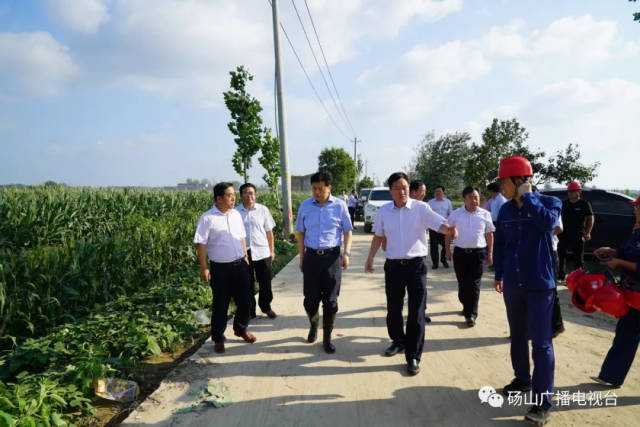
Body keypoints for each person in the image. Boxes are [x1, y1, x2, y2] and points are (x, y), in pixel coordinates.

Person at [493, 156, 561, 425]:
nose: (502, 187)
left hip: (539, 285)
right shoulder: (506, 211)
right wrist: (499, 273)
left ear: (519, 180)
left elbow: (547, 225)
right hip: (513, 282)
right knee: (517, 336)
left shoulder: (549, 203)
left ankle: (542, 402)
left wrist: (529, 198)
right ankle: (523, 379)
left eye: (504, 181)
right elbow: (501, 245)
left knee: (542, 344)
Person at [365, 172, 452, 376]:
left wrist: (450, 230)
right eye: (398, 188)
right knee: (393, 310)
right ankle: (398, 341)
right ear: (391, 191)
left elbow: (441, 224)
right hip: (393, 267)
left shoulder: (421, 208)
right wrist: (370, 258)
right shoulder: (384, 211)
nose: (402, 191)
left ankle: (413, 355)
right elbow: (378, 236)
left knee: (416, 311)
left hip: (416, 266)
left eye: (405, 187)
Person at [194, 182, 256, 354]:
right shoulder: (207, 218)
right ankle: (219, 338)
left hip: (240, 265)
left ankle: (240, 329)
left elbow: (242, 236)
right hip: (220, 269)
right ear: (219, 198)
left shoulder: (236, 214)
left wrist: (245, 256)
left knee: (246, 301)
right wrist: (204, 268)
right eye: (229, 195)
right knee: (220, 305)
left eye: (233, 194)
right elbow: (201, 244)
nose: (233, 198)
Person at [296, 171, 353, 354]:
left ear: (329, 188)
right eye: (314, 188)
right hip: (312, 257)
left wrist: (347, 253)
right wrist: (302, 257)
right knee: (310, 301)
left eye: (321, 188)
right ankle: (314, 324)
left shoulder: (339, 205)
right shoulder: (305, 206)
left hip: (332, 258)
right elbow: (300, 233)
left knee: (331, 302)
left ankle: (327, 338)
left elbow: (348, 231)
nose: (317, 192)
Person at [591, 194, 640, 388]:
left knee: (627, 333)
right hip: (634, 294)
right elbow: (628, 251)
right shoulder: (637, 232)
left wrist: (619, 262)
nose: (634, 210)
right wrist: (612, 252)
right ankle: (611, 376)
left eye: (637, 207)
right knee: (625, 335)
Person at [445, 186, 495, 327]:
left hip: (478, 254)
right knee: (462, 284)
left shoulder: (485, 214)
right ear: (464, 199)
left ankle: (471, 314)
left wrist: (490, 253)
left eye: (476, 197)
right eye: (471, 197)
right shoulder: (455, 214)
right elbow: (448, 233)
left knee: (474, 284)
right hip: (460, 253)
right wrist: (448, 251)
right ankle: (466, 304)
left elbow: (489, 234)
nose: (474, 200)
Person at [236, 183, 277, 319]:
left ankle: (266, 307)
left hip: (262, 252)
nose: (249, 196)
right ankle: (250, 311)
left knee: (265, 283)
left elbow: (269, 232)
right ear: (241, 195)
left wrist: (272, 250)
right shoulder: (235, 212)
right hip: (244, 253)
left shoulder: (263, 210)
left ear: (255, 195)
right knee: (247, 284)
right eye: (246, 193)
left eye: (252, 193)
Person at [557, 181, 594, 281]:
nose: (570, 193)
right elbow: (557, 218)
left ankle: (578, 278)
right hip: (563, 234)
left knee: (578, 258)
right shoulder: (563, 204)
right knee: (561, 255)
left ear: (579, 192)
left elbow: (591, 218)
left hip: (578, 234)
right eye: (569, 191)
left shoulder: (584, 204)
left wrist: (588, 232)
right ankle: (561, 277)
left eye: (573, 191)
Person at [428, 186, 453, 269]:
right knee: (433, 246)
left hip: (445, 227)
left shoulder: (448, 202)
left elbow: (451, 214)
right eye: (436, 191)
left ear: (443, 192)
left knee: (446, 245)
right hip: (434, 227)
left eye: (439, 191)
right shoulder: (430, 202)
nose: (438, 193)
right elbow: (427, 215)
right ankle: (435, 263)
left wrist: (451, 226)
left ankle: (443, 259)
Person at [486, 182, 507, 272]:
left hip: (499, 224)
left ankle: (498, 265)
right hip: (494, 223)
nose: (489, 193)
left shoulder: (501, 200)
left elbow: (502, 215)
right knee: (494, 245)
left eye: (489, 191)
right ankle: (495, 264)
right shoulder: (494, 200)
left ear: (493, 191)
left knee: (498, 245)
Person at [551, 216, 565, 337]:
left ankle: (557, 325)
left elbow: (559, 228)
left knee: (550, 289)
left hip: (549, 251)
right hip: (531, 252)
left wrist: (541, 237)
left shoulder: (549, 203)